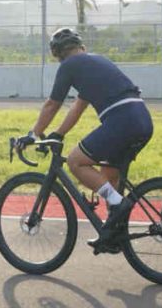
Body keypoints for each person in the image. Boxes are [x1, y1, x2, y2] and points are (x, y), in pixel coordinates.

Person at [15, 27, 154, 251]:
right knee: (108, 174)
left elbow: (53, 104)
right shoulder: (95, 61)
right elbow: (78, 107)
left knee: (75, 161)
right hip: (142, 118)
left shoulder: (69, 66)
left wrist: (33, 134)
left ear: (58, 54)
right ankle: (112, 233)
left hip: (121, 120)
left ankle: (119, 205)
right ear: (81, 47)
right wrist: (59, 133)